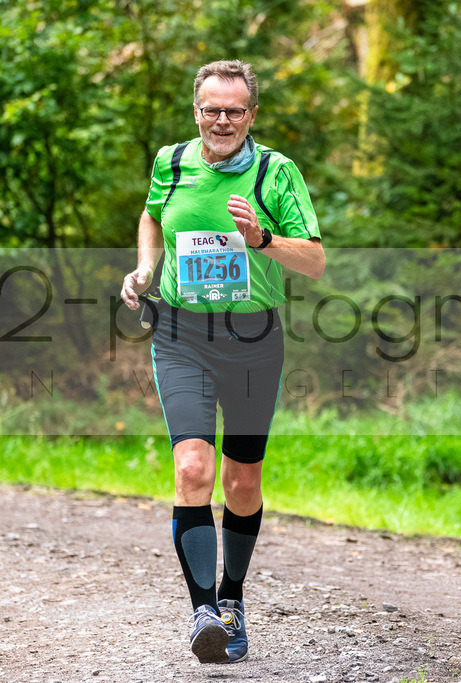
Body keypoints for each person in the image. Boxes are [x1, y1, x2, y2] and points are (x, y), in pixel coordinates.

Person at [120, 59, 325, 664]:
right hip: (181, 333)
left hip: (253, 339)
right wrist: (145, 267)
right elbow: (153, 215)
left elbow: (314, 261)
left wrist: (263, 239)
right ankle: (202, 610)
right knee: (191, 469)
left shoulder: (276, 173)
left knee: (242, 482)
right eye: (212, 108)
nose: (222, 120)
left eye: (235, 110)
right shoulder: (171, 161)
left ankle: (232, 596)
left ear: (252, 115)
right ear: (196, 111)